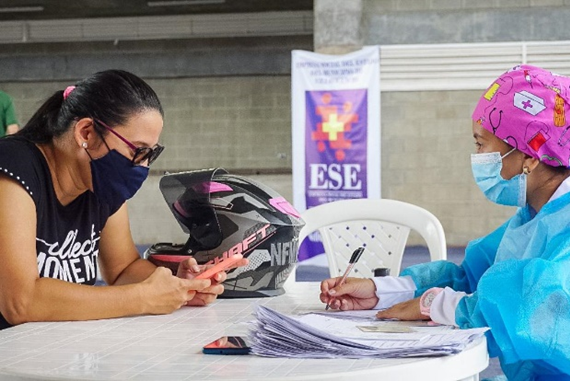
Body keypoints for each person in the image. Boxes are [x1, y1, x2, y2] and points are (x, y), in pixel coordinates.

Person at [319, 65, 570, 380]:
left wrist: (434, 305)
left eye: (480, 145)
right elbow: (472, 279)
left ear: (529, 157)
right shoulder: (537, 216)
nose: (475, 155)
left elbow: (537, 306)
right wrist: (381, 291)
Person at [0, 69, 247, 330]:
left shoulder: (99, 184)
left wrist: (177, 285)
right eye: (138, 150)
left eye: (151, 153)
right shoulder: (13, 170)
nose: (142, 165)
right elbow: (20, 302)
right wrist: (141, 298)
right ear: (86, 133)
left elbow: (122, 269)